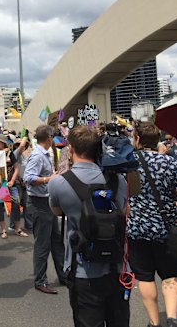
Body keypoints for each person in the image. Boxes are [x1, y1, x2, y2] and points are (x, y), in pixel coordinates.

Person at [49, 126, 130, 327]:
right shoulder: (118, 180)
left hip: (83, 270)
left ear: (71, 148)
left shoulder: (58, 183)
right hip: (117, 267)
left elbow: (58, 212)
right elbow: (125, 212)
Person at [128, 122, 177, 327]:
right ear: (157, 141)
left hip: (137, 228)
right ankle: (172, 319)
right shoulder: (171, 162)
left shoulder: (129, 163)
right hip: (165, 228)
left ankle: (155, 322)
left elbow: (127, 192)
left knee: (146, 277)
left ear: (137, 139)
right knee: (170, 274)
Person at [24, 124, 66, 295]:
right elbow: (29, 178)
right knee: (42, 244)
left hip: (46, 202)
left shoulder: (44, 154)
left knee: (56, 241)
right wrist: (50, 178)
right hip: (39, 203)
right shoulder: (37, 155)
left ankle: (63, 275)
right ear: (48, 138)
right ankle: (40, 280)